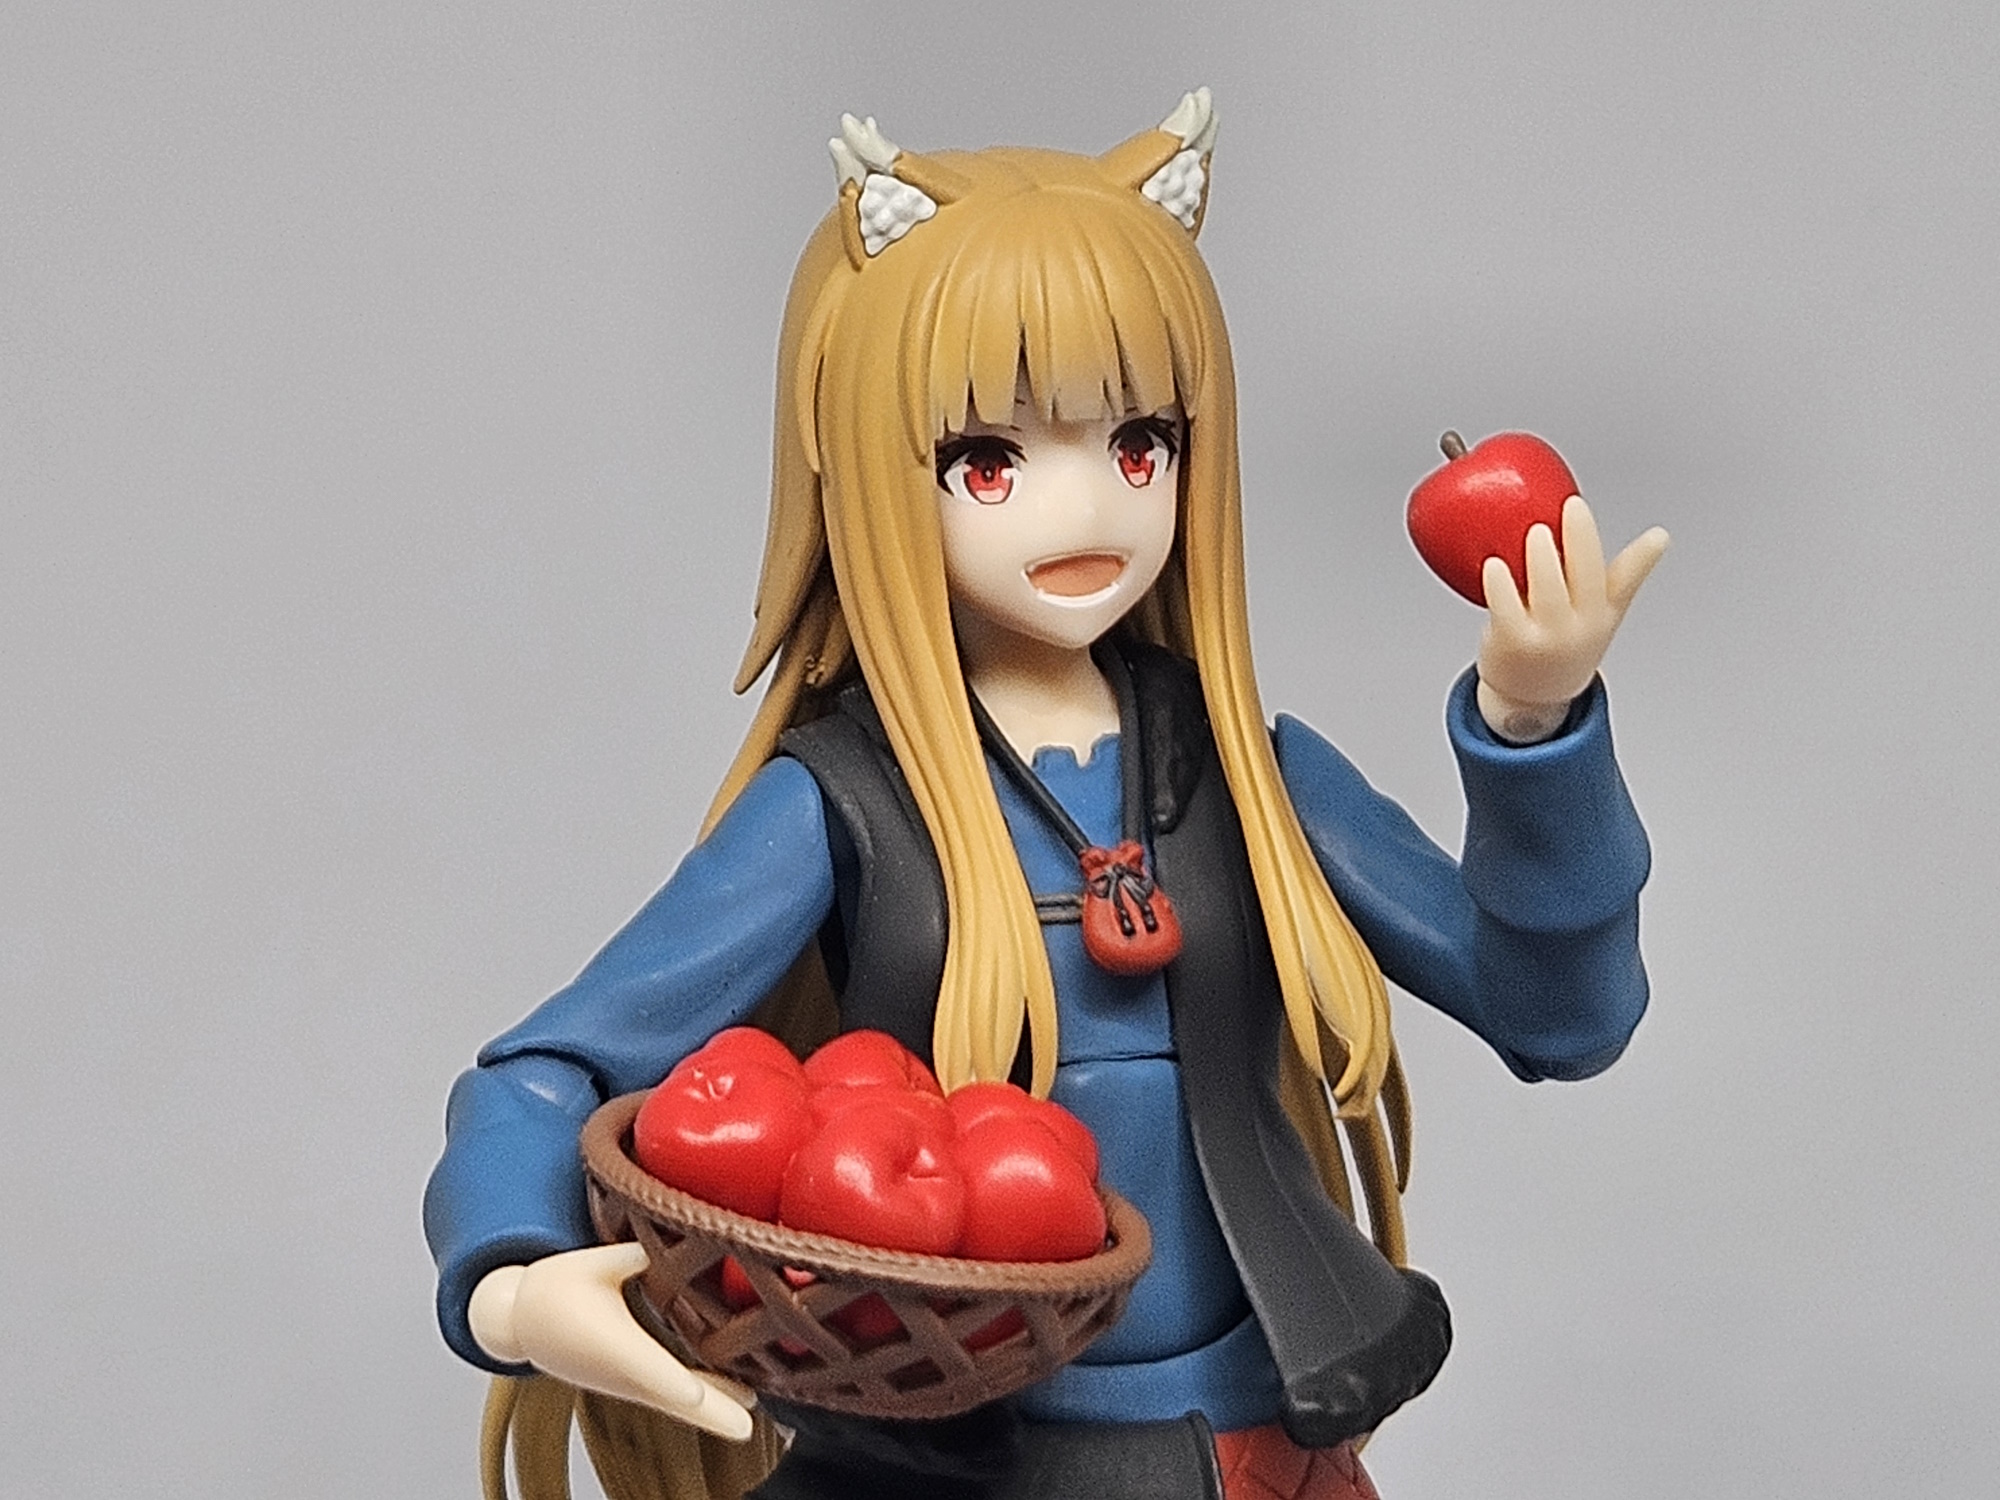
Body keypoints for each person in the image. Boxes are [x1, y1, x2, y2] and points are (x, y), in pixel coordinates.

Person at [424, 92, 1668, 1500]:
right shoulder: (846, 802)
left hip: (1246, 1445)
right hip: (947, 1462)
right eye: (991, 460)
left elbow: (1561, 1015)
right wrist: (515, 1281)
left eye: (1139, 445)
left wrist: (1535, 728)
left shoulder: (1249, 777)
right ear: (875, 468)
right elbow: (549, 1069)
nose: (1085, 509)